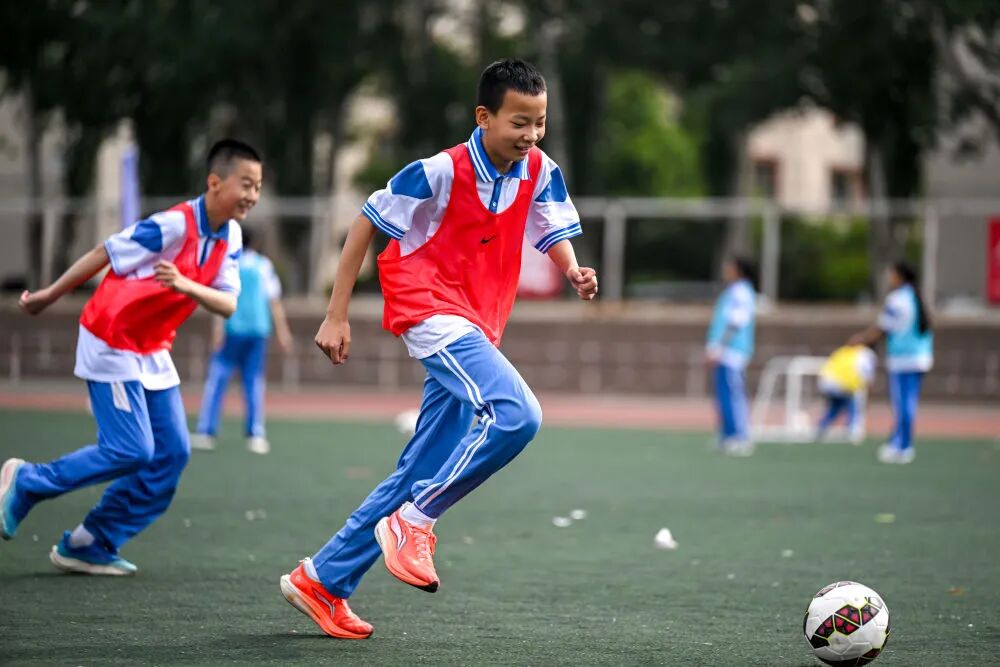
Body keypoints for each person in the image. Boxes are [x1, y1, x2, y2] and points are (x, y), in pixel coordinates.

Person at [278, 59, 598, 640]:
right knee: (518, 414)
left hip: (478, 323)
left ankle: (321, 579)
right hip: (430, 311)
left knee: (421, 469)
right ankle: (415, 521)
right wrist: (336, 313)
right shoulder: (438, 171)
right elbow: (365, 224)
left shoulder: (540, 169)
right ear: (484, 117)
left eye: (539, 122)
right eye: (519, 122)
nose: (531, 134)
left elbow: (551, 227)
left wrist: (573, 270)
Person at [0, 139, 260, 574]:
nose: (253, 195)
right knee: (131, 449)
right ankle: (27, 482)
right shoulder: (173, 225)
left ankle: (90, 541)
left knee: (172, 453)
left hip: (152, 347)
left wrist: (184, 285)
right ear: (215, 182)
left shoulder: (230, 235)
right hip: (111, 337)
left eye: (258, 187)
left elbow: (228, 303)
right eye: (246, 184)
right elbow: (105, 252)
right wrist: (49, 295)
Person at [190, 228, 293, 455]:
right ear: (253, 243)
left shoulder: (229, 264)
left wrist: (217, 330)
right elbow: (274, 301)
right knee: (254, 382)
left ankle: (206, 431)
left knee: (217, 379)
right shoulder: (263, 265)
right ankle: (256, 434)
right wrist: (283, 332)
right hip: (258, 330)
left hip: (233, 329)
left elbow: (220, 298)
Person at [850, 260, 933, 464]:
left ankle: (903, 446)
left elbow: (883, 327)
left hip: (903, 358)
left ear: (899, 276)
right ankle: (898, 441)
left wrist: (861, 339)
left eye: (891, 274)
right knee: (908, 402)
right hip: (921, 357)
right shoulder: (916, 296)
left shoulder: (896, 299)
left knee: (903, 404)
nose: (889, 278)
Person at [706, 257, 757, 456]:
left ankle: (740, 436)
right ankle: (728, 435)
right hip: (725, 351)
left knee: (733, 394)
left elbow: (736, 322)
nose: (726, 271)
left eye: (730, 268)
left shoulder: (741, 292)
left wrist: (718, 347)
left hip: (732, 352)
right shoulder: (732, 291)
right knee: (724, 396)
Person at [815, 344, 878, 444]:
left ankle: (821, 428)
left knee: (835, 407)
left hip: (826, 382)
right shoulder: (866, 354)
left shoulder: (844, 350)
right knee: (852, 406)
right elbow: (866, 374)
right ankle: (852, 431)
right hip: (843, 384)